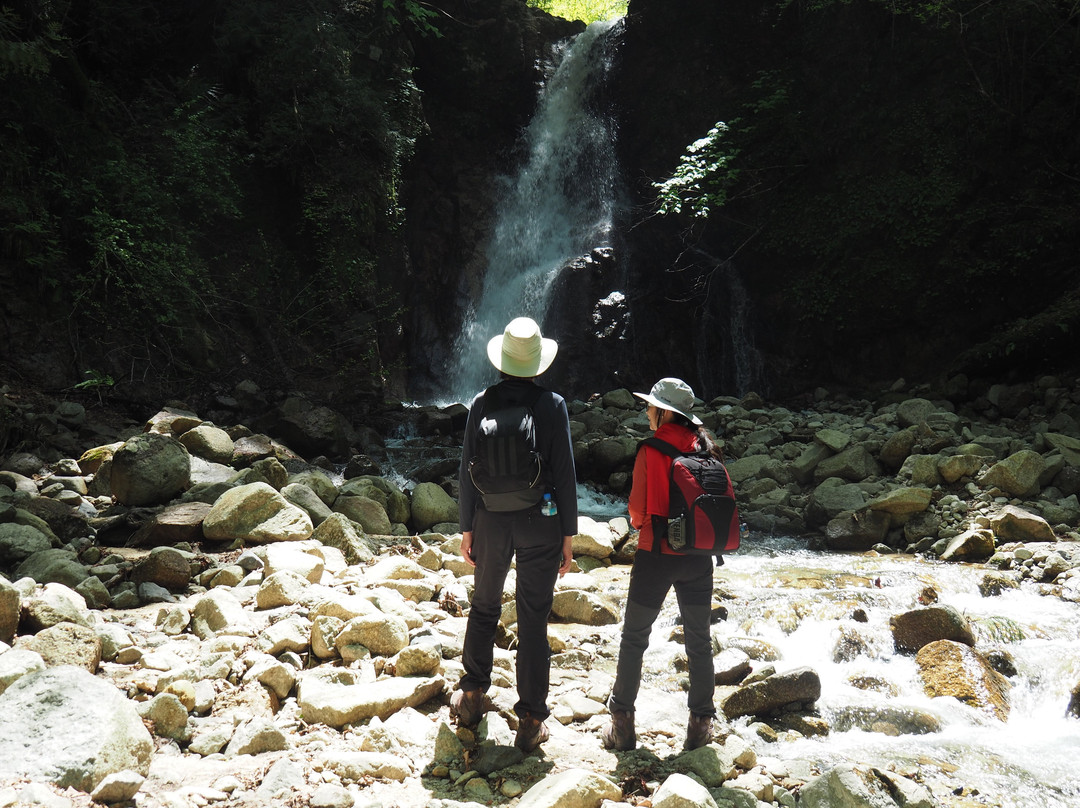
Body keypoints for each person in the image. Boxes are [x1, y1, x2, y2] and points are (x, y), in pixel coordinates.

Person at [452, 317, 578, 753]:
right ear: (537, 364)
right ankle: (529, 721)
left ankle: (471, 696)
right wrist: (568, 535)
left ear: (502, 360)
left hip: (489, 519)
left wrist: (466, 528)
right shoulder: (552, 405)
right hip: (540, 522)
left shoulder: (481, 402)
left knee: (484, 605)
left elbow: (467, 470)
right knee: (533, 617)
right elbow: (564, 474)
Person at [602, 377, 722, 752]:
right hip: (700, 557)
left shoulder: (650, 450)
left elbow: (637, 513)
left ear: (664, 412)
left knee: (635, 638)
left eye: (651, 406)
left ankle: (622, 725)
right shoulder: (705, 447)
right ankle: (700, 725)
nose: (647, 412)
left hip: (656, 556)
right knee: (700, 641)